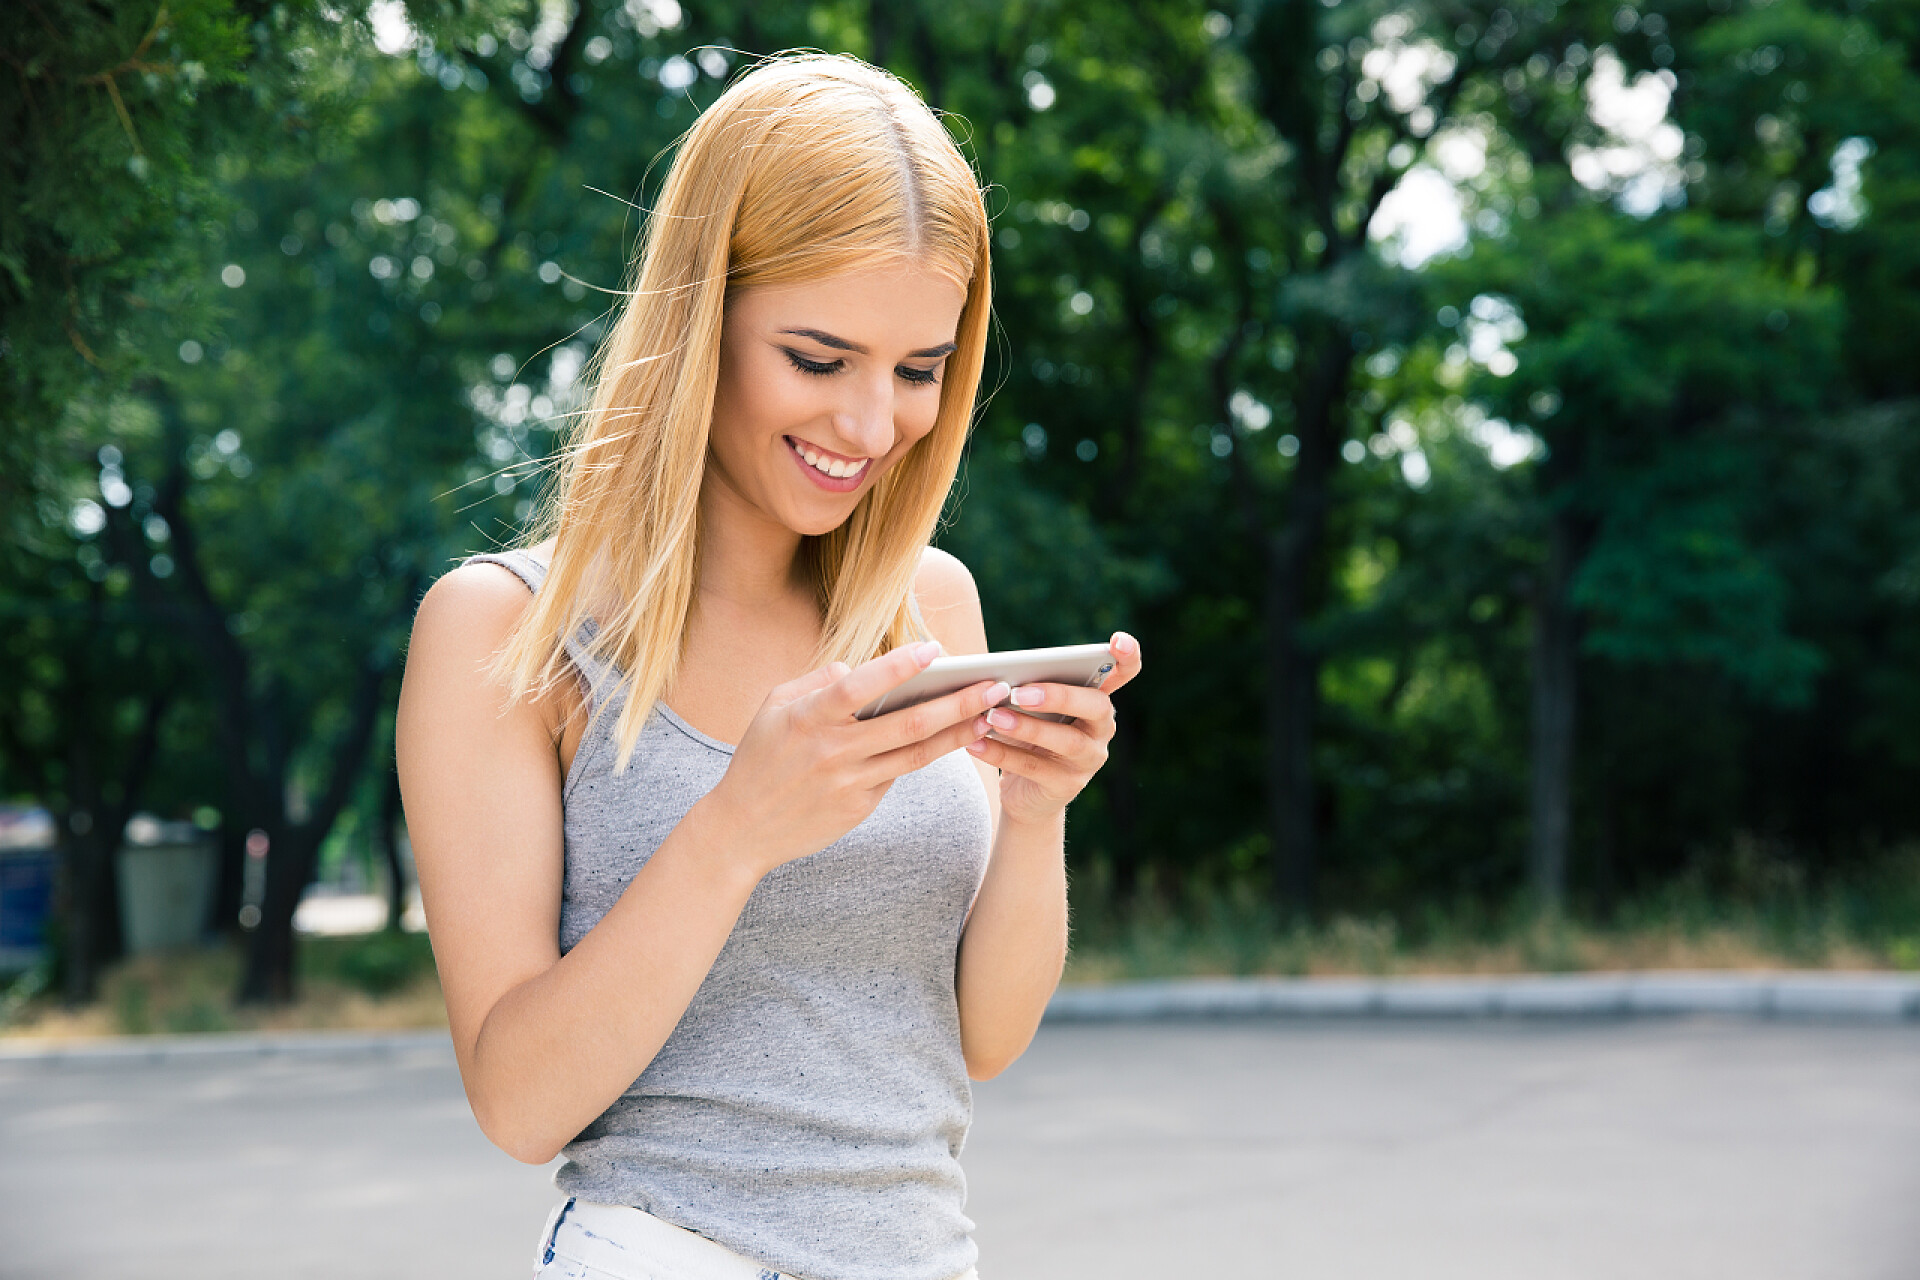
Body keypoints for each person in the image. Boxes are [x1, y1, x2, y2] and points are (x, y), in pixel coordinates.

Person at [395, 51, 1142, 1280]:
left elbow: (981, 1038)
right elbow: (519, 1102)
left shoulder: (928, 605)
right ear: (704, 322)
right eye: (818, 358)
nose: (871, 425)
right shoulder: (505, 630)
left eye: (919, 370)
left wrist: (1034, 809)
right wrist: (736, 827)